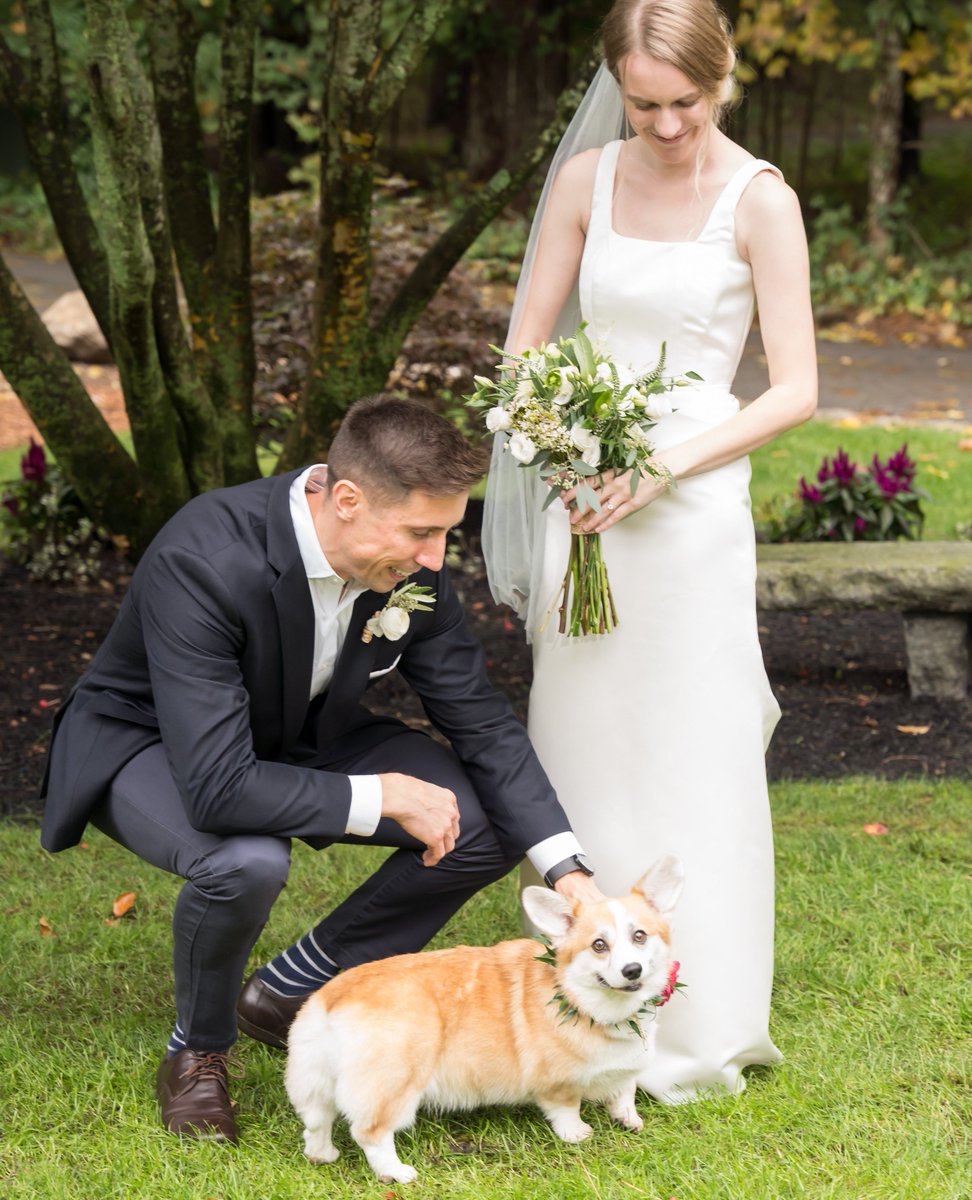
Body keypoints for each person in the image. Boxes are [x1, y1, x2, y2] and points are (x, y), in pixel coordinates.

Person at [41, 395, 600, 1143]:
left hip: (293, 731)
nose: (436, 559)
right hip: (150, 742)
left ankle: (285, 993)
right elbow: (218, 785)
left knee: (490, 818)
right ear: (345, 499)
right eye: (422, 533)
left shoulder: (410, 565)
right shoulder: (204, 558)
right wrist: (380, 795)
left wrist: (568, 872)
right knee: (244, 861)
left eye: (445, 534)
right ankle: (197, 1052)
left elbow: (481, 719)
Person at [482, 0, 817, 1103]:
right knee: (584, 743)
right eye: (644, 103)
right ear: (614, 89)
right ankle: (572, 1008)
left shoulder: (760, 200)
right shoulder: (586, 183)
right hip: (586, 503)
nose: (667, 125)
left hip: (690, 510)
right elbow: (526, 349)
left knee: (692, 750)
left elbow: (799, 390)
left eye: (688, 102)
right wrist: (559, 446)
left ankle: (700, 1018)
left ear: (723, 84)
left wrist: (664, 468)